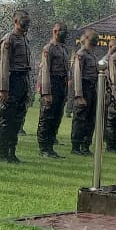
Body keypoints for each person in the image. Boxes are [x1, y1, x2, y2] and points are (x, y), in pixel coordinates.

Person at [0, 9, 32, 164]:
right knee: (7, 117)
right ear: (15, 21)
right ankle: (3, 152)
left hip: (22, 80)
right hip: (12, 80)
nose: (27, 22)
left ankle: (12, 150)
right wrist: (4, 89)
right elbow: (4, 65)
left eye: (28, 19)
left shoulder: (24, 39)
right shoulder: (9, 39)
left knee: (17, 117)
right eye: (23, 19)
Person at [36, 21, 70, 158]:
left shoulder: (63, 49)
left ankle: (50, 146)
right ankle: (44, 148)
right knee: (47, 117)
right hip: (51, 83)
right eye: (62, 31)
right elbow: (45, 71)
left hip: (61, 85)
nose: (64, 34)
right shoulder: (48, 48)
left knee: (56, 116)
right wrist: (46, 92)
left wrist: (66, 91)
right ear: (55, 31)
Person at [70, 28, 100, 155]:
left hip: (92, 89)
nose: (96, 39)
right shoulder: (81, 54)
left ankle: (86, 145)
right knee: (80, 118)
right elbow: (77, 76)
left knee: (90, 119)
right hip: (84, 88)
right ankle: (76, 146)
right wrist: (79, 95)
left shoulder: (92, 54)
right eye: (93, 37)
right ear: (86, 38)